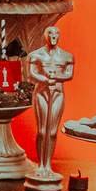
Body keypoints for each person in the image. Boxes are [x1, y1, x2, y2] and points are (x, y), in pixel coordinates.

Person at [26, 26, 74, 176]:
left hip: (58, 93)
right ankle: (41, 165)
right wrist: (45, 78)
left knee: (52, 132)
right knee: (42, 131)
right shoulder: (36, 55)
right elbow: (31, 73)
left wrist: (56, 77)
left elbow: (69, 74)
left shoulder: (67, 56)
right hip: (42, 93)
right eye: (50, 33)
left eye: (56, 33)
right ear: (45, 36)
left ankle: (48, 165)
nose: (53, 36)